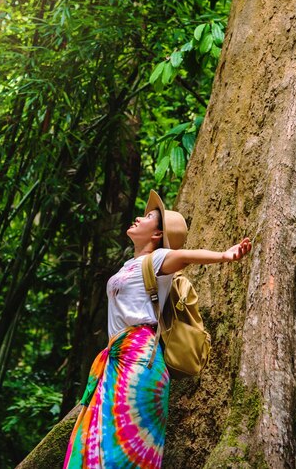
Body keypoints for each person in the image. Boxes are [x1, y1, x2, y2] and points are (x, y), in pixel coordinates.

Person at [63, 190, 251, 469]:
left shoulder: (159, 258)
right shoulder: (129, 265)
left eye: (149, 217)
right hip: (116, 360)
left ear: (156, 235)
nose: (139, 217)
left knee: (125, 448)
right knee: (99, 439)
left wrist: (224, 255)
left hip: (140, 361)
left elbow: (186, 256)